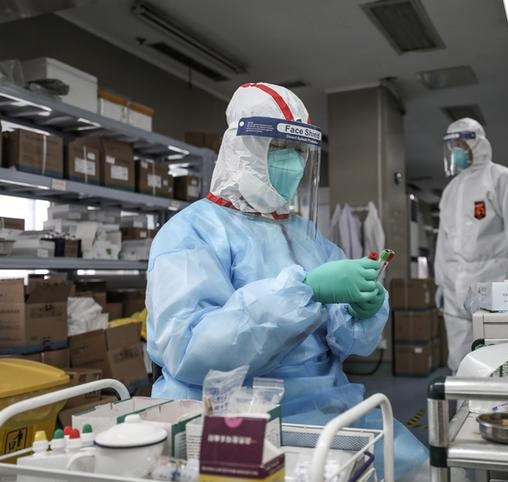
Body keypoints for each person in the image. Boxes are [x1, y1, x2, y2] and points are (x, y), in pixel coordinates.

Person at [145, 82, 427, 479]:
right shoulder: (190, 234)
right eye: (280, 150)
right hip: (230, 417)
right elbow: (192, 351)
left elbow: (351, 343)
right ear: (243, 150)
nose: (293, 163)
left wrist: (362, 308)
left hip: (327, 410)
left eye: (299, 151)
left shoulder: (308, 238)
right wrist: (305, 290)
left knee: (420, 468)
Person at [434, 118, 508, 371]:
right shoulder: (451, 190)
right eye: (452, 146)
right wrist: (440, 282)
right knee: (459, 361)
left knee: (496, 359)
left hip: (492, 287)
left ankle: (495, 409)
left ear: (477, 143)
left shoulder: (503, 179)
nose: (456, 151)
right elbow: (443, 241)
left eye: (461, 144)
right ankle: (464, 408)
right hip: (454, 290)